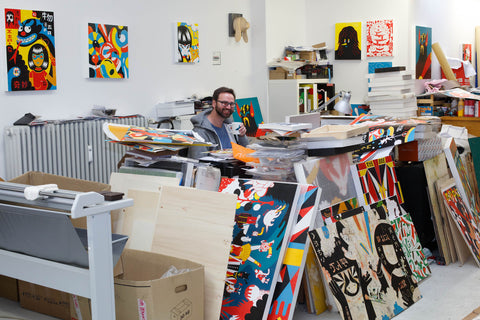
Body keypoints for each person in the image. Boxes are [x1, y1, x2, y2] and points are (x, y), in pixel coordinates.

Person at [188, 86, 248, 158]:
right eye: (224, 103)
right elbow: (197, 162)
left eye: (231, 104)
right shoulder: (199, 132)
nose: (228, 107)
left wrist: (242, 136)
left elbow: (245, 153)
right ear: (214, 103)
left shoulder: (229, 126)